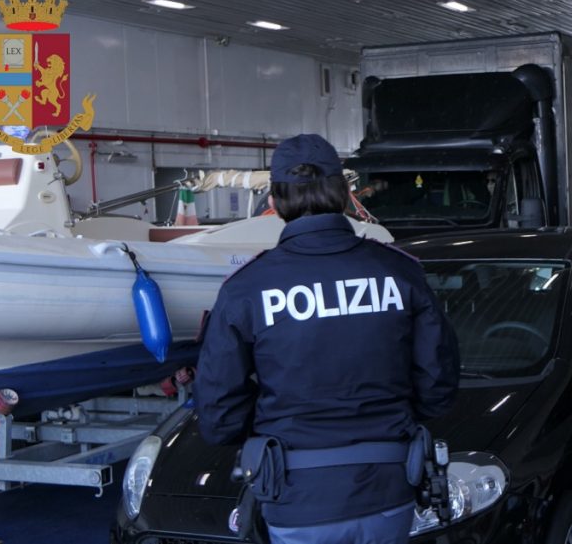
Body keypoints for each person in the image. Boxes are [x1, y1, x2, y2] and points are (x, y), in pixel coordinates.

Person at [194, 133, 460, 544]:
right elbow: (438, 385)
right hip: (387, 488)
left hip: (297, 497)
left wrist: (269, 426)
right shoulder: (399, 272)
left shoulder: (246, 289)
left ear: (275, 202)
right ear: (344, 192)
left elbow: (218, 416)